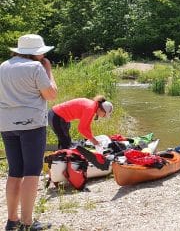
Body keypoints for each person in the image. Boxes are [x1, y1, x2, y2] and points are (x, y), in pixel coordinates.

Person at [0, 34, 57, 231]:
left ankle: (11, 220)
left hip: (7, 125)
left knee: (15, 171)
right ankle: (27, 222)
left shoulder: (4, 66)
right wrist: (49, 70)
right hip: (31, 124)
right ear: (37, 53)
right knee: (31, 172)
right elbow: (51, 94)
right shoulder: (35, 67)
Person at [48, 96, 114, 151]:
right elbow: (81, 128)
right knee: (65, 144)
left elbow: (87, 126)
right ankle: (61, 163)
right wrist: (93, 140)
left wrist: (92, 139)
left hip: (63, 118)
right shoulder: (90, 108)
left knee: (67, 142)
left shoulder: (93, 106)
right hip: (56, 116)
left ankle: (63, 161)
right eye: (105, 115)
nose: (104, 116)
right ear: (100, 109)